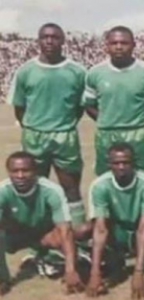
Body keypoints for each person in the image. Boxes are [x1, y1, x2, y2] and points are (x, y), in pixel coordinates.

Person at [7, 23, 87, 228]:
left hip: (65, 136)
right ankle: (38, 234)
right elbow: (20, 107)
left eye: (54, 37)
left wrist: (63, 125)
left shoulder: (77, 71)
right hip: (35, 136)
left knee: (70, 187)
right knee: (34, 186)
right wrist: (34, 127)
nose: (49, 41)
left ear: (63, 40)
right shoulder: (25, 71)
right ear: (38, 40)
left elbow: (79, 107)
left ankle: (77, 235)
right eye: (44, 37)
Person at [84, 143, 144, 299]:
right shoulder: (99, 186)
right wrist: (94, 273)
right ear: (109, 164)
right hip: (118, 229)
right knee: (85, 230)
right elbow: (101, 228)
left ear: (134, 162)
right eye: (116, 163)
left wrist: (138, 272)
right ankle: (113, 262)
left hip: (140, 227)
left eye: (126, 162)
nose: (121, 167)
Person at [0, 151, 84, 295]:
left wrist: (71, 271)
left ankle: (71, 260)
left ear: (36, 171)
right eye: (15, 171)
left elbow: (65, 230)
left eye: (25, 171)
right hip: (15, 236)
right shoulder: (3, 191)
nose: (20, 176)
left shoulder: (51, 190)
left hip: (44, 235)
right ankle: (2, 278)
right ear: (9, 172)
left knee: (66, 236)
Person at [83, 26, 144, 176]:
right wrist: (108, 121)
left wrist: (140, 125)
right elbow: (89, 105)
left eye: (124, 43)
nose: (119, 47)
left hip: (139, 135)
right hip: (106, 135)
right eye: (114, 43)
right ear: (107, 46)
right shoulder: (95, 73)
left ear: (134, 45)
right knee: (108, 179)